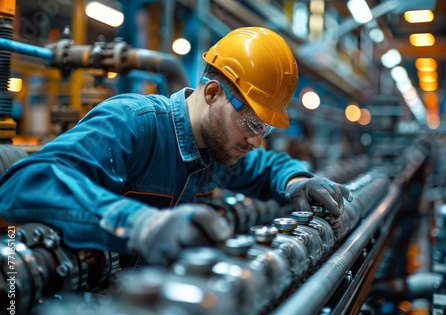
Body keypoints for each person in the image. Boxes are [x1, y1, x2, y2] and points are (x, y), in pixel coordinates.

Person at [0, 27, 352, 265]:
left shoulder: (218, 152)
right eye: (251, 123)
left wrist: (297, 182)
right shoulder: (134, 123)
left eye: (265, 129)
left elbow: (265, 167)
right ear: (213, 94)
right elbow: (23, 185)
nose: (256, 140)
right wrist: (142, 224)